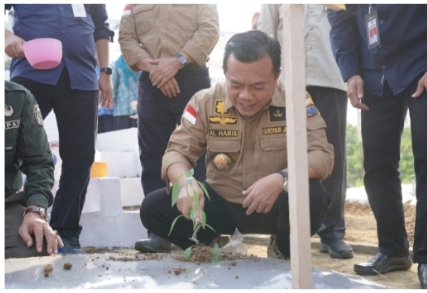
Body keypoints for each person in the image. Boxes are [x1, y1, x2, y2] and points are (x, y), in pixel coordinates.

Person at [139, 30, 334, 260]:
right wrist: (186, 182)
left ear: (277, 76)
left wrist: (282, 178)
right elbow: (176, 153)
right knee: (153, 207)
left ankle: (283, 247)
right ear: (225, 74)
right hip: (220, 206)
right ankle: (207, 245)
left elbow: (321, 154)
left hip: (275, 204)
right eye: (236, 84)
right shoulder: (205, 101)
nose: (246, 96)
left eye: (258, 86)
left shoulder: (296, 101)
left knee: (312, 195)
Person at [328, 4, 427, 288]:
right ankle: (393, 249)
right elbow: (340, 16)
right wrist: (350, 71)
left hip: (421, 61)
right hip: (372, 70)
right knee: (376, 163)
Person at [5, 4, 113, 254]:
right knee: (9, 146)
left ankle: (66, 232)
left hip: (82, 75)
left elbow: (101, 27)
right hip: (29, 74)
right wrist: (7, 36)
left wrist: (105, 71)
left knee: (81, 157)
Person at [119, 4, 219, 253]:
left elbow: (209, 29)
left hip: (192, 76)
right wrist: (154, 68)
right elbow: (126, 37)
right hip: (151, 79)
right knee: (153, 156)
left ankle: (207, 230)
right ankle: (160, 231)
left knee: (204, 155)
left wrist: (177, 62)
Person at [258, 4, 353, 259]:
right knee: (280, 151)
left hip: (330, 76)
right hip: (286, 80)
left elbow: (349, 24)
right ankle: (280, 228)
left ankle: (332, 230)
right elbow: (267, 32)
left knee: (331, 154)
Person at [5, 80, 64, 258]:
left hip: (5, 204)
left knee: (36, 245)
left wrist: (35, 212)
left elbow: (39, 162)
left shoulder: (17, 98)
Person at [111, 54, 140, 131]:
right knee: (121, 136)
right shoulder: (116, 65)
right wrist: (112, 98)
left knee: (136, 136)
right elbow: (113, 83)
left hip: (138, 107)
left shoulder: (140, 63)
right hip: (121, 108)